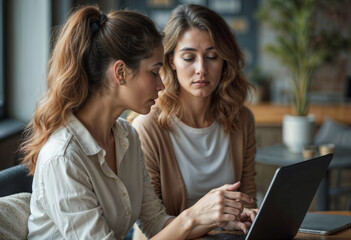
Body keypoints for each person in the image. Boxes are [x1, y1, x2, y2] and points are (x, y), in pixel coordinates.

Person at [20, 5, 255, 240]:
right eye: (154, 73)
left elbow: (156, 223)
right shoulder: (64, 157)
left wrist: (217, 219)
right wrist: (193, 216)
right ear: (121, 72)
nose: (162, 85)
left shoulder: (127, 137)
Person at [131, 4, 258, 235]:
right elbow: (152, 227)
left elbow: (247, 199)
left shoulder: (242, 120)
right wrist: (211, 222)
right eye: (189, 58)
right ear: (170, 61)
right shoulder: (148, 127)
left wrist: (246, 216)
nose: (201, 69)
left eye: (212, 56)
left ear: (225, 61)